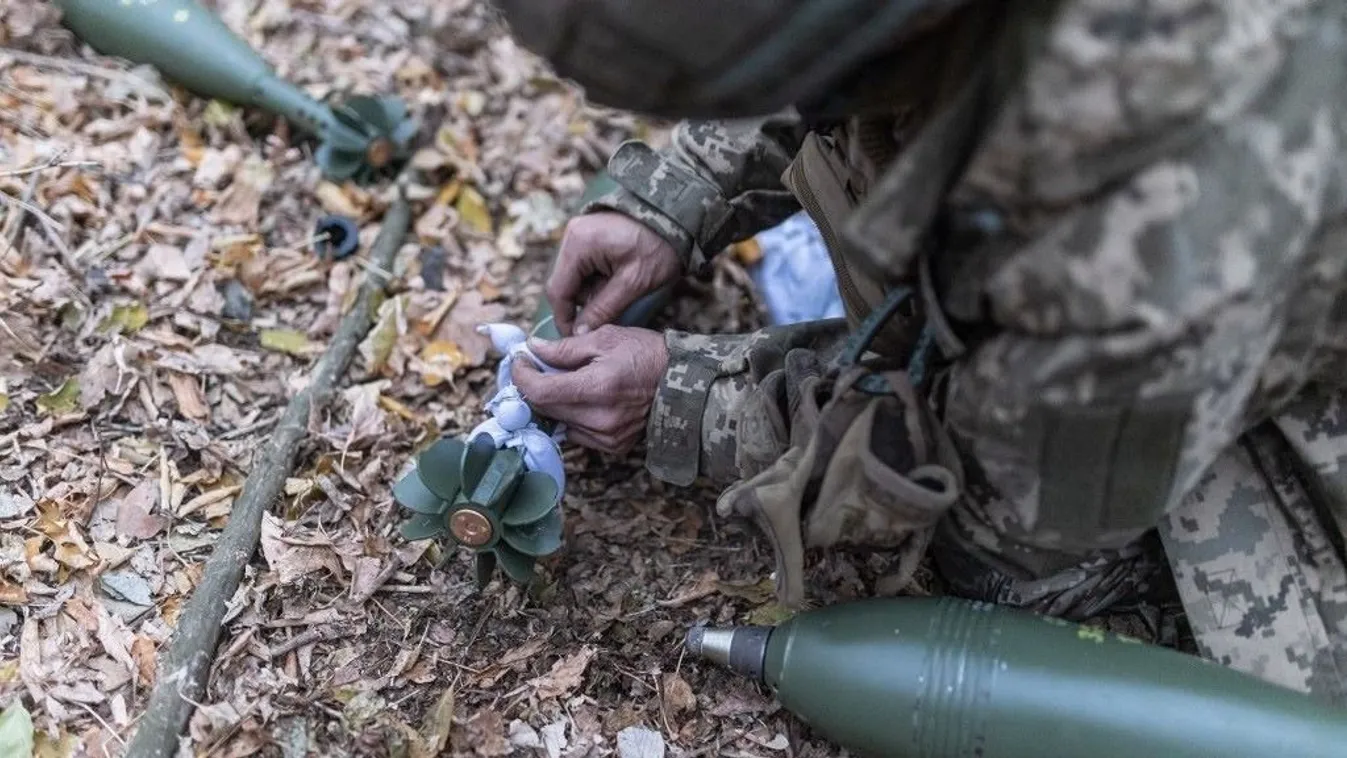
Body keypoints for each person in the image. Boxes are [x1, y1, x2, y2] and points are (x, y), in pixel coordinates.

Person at [497, 0, 1347, 703]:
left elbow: (993, 487)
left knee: (1008, 573)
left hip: (1206, 364)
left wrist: (682, 396)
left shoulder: (1145, 225)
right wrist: (672, 198)